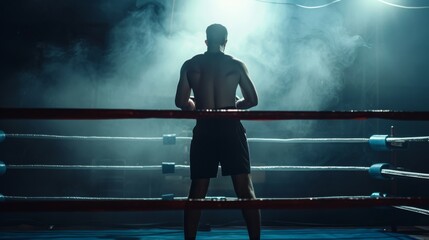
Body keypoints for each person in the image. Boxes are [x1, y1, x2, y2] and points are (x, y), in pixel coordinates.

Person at [175, 24, 260, 240]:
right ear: (226, 41)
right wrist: (231, 106)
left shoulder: (191, 65)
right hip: (230, 125)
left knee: (197, 191)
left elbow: (181, 102)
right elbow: (252, 100)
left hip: (205, 126)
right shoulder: (236, 65)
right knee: (245, 190)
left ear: (206, 41)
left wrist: (198, 105)